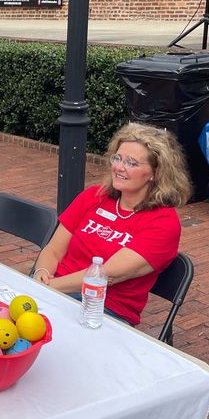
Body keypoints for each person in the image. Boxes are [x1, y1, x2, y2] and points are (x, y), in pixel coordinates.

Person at [32, 122, 191, 326]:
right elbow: (53, 250)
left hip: (103, 310)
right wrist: (41, 273)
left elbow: (106, 276)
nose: (118, 167)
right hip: (53, 289)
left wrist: (47, 288)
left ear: (155, 173)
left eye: (132, 163)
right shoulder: (94, 196)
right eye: (117, 158)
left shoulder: (163, 223)